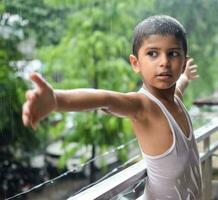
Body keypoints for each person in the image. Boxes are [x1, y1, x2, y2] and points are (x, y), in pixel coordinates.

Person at [22, 15, 202, 200]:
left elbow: (179, 87)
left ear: (183, 63)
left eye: (173, 53)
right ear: (135, 63)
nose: (164, 61)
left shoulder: (175, 101)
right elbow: (106, 99)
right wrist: (56, 100)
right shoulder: (144, 106)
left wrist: (185, 77)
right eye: (152, 53)